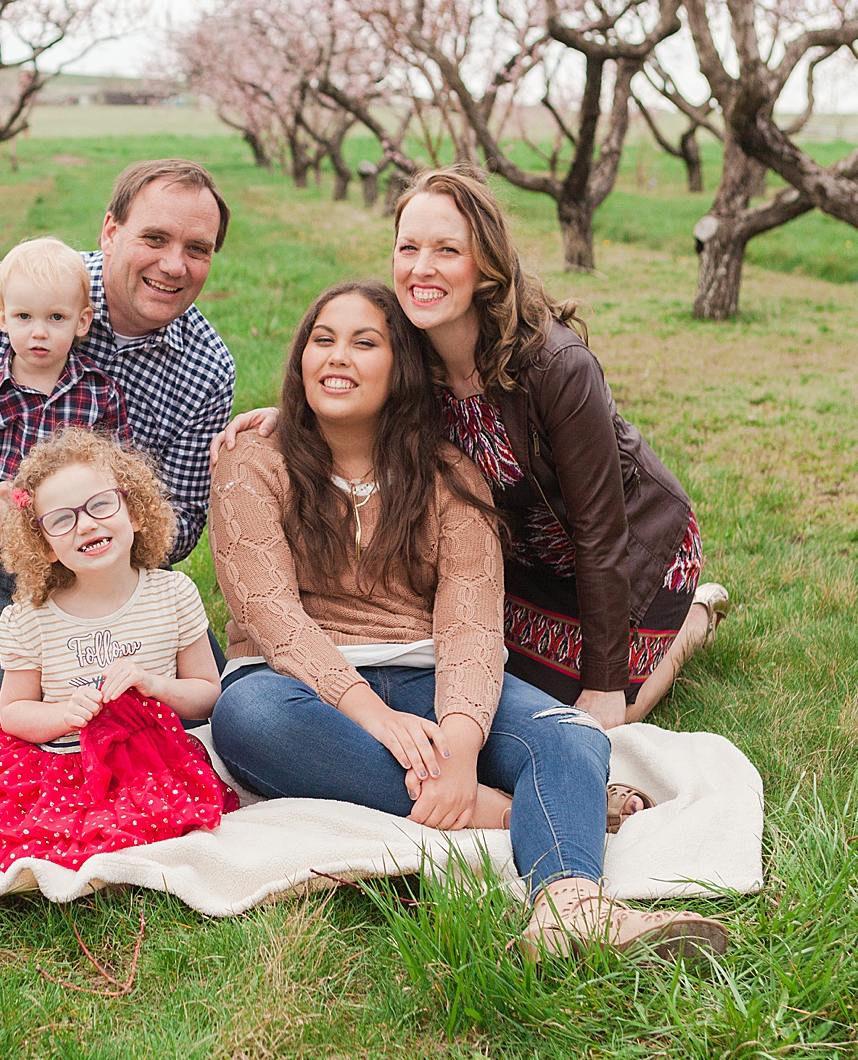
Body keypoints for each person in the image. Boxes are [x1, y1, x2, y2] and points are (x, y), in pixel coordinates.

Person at [208, 280, 729, 959]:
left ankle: (570, 906)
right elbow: (269, 614)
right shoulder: (253, 461)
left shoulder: (450, 474)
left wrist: (456, 744)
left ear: (403, 368)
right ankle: (512, 813)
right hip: (295, 685)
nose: (336, 357)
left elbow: (471, 624)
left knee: (570, 735)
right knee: (247, 722)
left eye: (364, 343)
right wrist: (377, 717)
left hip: (426, 668)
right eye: (322, 340)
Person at [216, 166, 727, 731]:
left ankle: (693, 623)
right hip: (523, 557)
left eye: (446, 250)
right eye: (407, 247)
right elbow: (358, 385)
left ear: (485, 264)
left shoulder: (557, 367)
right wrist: (297, 416)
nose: (421, 267)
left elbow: (601, 534)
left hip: (633, 555)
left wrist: (606, 686)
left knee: (595, 716)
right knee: (487, 683)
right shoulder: (414, 351)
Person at [0, 160, 238, 747]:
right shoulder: (14, 295)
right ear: (110, 231)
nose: (174, 265)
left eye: (197, 249)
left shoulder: (204, 366)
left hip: (111, 568)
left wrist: (94, 575)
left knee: (197, 730)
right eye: (154, 238)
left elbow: (182, 521)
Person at [0, 428, 236, 870]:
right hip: (58, 759)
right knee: (24, 829)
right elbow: (14, 713)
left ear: (135, 513)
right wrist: (62, 714)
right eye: (62, 519)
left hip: (144, 762)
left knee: (145, 826)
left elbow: (208, 692)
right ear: (46, 546)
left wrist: (153, 684)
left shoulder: (173, 594)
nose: (87, 524)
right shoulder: (28, 617)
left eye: (101, 505)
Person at [0, 236, 132, 736]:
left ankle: (53, 751)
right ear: (1, 317)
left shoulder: (98, 392)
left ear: (82, 323)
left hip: (70, 553)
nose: (39, 333)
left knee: (60, 654)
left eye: (56, 319)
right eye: (24, 318)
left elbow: (113, 465)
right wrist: (16, 509)